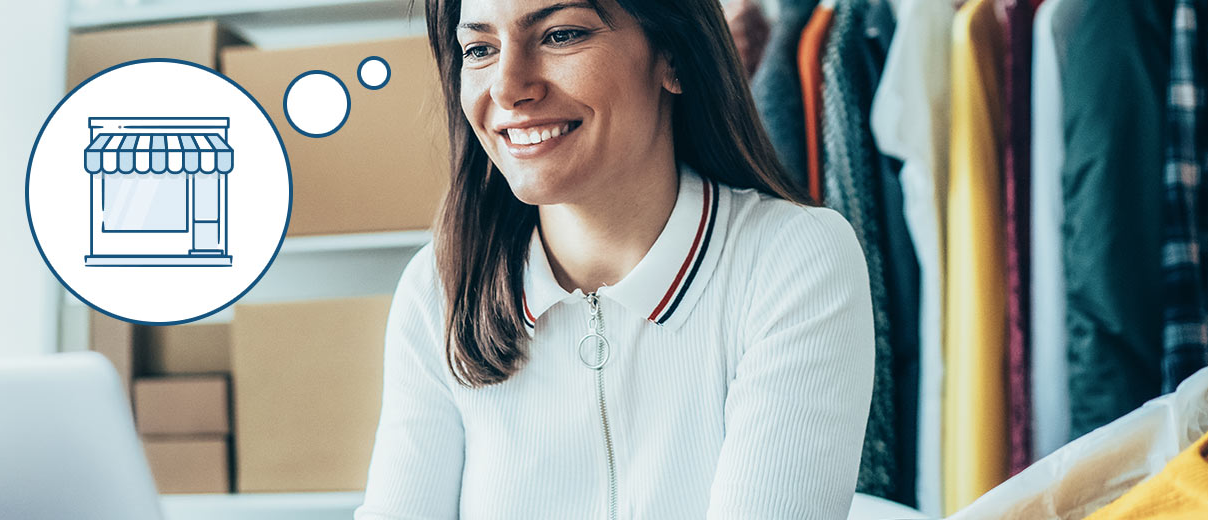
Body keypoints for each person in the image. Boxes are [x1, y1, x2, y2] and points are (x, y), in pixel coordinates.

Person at [355, 0, 875, 517]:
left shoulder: (794, 258)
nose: (508, 88)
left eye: (560, 36)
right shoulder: (437, 289)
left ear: (671, 55)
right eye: (480, 49)